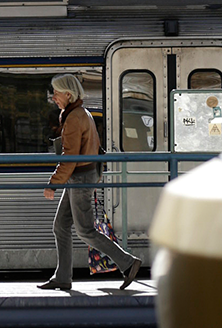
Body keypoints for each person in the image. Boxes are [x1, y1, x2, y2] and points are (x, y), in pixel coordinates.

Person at [38, 74, 142, 291]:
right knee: (61, 226)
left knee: (85, 230)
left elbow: (70, 156)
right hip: (82, 175)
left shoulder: (74, 117)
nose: (53, 97)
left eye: (56, 93)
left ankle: (128, 263)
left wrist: (53, 183)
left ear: (68, 94)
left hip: (80, 177)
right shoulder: (79, 113)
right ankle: (63, 277)